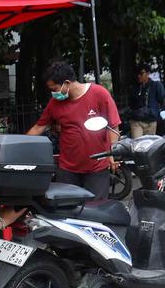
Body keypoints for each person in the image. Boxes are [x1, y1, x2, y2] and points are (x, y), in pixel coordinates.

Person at [26, 61, 120, 200]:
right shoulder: (55, 103)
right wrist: (19, 144)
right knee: (67, 211)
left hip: (97, 167)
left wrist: (113, 153)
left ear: (67, 83)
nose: (54, 93)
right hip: (67, 169)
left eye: (55, 88)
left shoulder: (99, 93)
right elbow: (39, 127)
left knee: (95, 211)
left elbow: (113, 126)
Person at [128, 65, 165, 138]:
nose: (139, 76)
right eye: (137, 74)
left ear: (148, 73)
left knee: (149, 145)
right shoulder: (134, 87)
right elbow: (131, 103)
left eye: (141, 73)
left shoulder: (156, 85)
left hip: (150, 121)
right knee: (137, 145)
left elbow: (162, 100)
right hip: (136, 120)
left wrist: (155, 112)